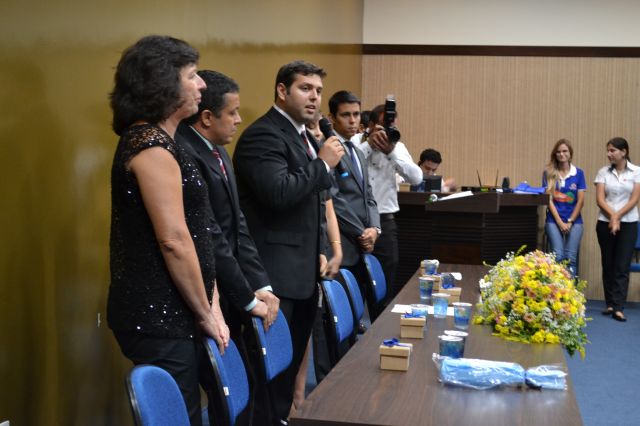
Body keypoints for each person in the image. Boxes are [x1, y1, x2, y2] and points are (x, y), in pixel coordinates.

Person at [107, 35, 228, 426]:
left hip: (179, 310)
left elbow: (197, 232)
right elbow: (174, 240)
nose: (202, 84)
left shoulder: (167, 141)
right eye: (192, 75)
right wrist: (206, 312)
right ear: (162, 83)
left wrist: (212, 304)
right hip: (157, 316)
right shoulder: (149, 144)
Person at [233, 60, 344, 425]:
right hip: (273, 279)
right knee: (265, 384)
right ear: (282, 91)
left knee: (284, 380)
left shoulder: (303, 136)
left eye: (318, 91)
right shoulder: (263, 135)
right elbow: (278, 193)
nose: (314, 97)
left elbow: (314, 202)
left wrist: (321, 250)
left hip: (302, 275)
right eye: (305, 88)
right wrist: (323, 164)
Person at [176, 71, 278, 334]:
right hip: (206, 293)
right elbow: (211, 232)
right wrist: (247, 298)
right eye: (232, 112)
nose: (239, 120)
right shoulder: (185, 152)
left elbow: (237, 222)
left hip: (232, 288)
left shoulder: (218, 149)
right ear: (207, 117)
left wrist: (260, 284)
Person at [356, 104, 422, 299]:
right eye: (384, 126)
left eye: (392, 126)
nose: (388, 131)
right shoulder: (355, 143)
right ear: (371, 126)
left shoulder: (398, 147)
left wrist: (391, 153)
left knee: (386, 281)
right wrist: (370, 145)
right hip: (356, 222)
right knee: (355, 281)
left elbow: (416, 178)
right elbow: (349, 164)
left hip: (385, 223)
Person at [327, 91, 380, 317]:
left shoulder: (357, 152)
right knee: (343, 315)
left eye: (356, 114)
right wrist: (362, 233)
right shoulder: (328, 150)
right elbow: (334, 199)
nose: (352, 120)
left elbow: (369, 196)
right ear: (332, 118)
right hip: (342, 244)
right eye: (345, 115)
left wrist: (375, 229)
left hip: (363, 245)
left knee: (359, 312)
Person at [594, 137, 640, 322]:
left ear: (624, 152)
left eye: (612, 150)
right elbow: (600, 200)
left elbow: (634, 199)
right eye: (608, 150)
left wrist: (617, 217)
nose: (609, 154)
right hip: (604, 222)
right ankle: (610, 303)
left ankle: (619, 307)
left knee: (622, 265)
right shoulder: (603, 172)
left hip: (628, 222)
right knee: (608, 263)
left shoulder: (636, 171)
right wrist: (612, 217)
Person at [541, 139, 586, 277]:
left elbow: (580, 201)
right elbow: (548, 200)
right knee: (558, 256)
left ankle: (570, 290)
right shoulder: (548, 173)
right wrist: (560, 222)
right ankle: (557, 288)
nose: (562, 154)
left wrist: (570, 221)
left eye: (565, 151)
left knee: (571, 258)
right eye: (559, 152)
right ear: (555, 154)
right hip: (554, 220)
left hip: (574, 221)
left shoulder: (579, 173)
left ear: (570, 153)